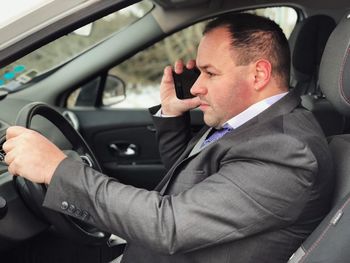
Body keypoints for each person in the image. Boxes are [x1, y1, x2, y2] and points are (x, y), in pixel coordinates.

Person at [3, 13, 334, 263]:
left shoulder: (289, 149)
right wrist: (172, 115)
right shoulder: (254, 122)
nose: (194, 87)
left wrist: (58, 170)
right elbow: (192, 179)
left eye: (210, 72)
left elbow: (169, 224)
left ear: (259, 74)